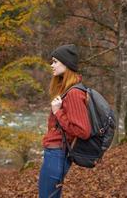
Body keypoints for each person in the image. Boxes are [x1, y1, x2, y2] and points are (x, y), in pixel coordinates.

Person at [38, 44, 91, 198]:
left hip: (58, 154)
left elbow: (83, 131)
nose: (51, 65)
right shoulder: (67, 89)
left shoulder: (74, 93)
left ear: (66, 63)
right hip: (54, 153)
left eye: (55, 61)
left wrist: (57, 112)